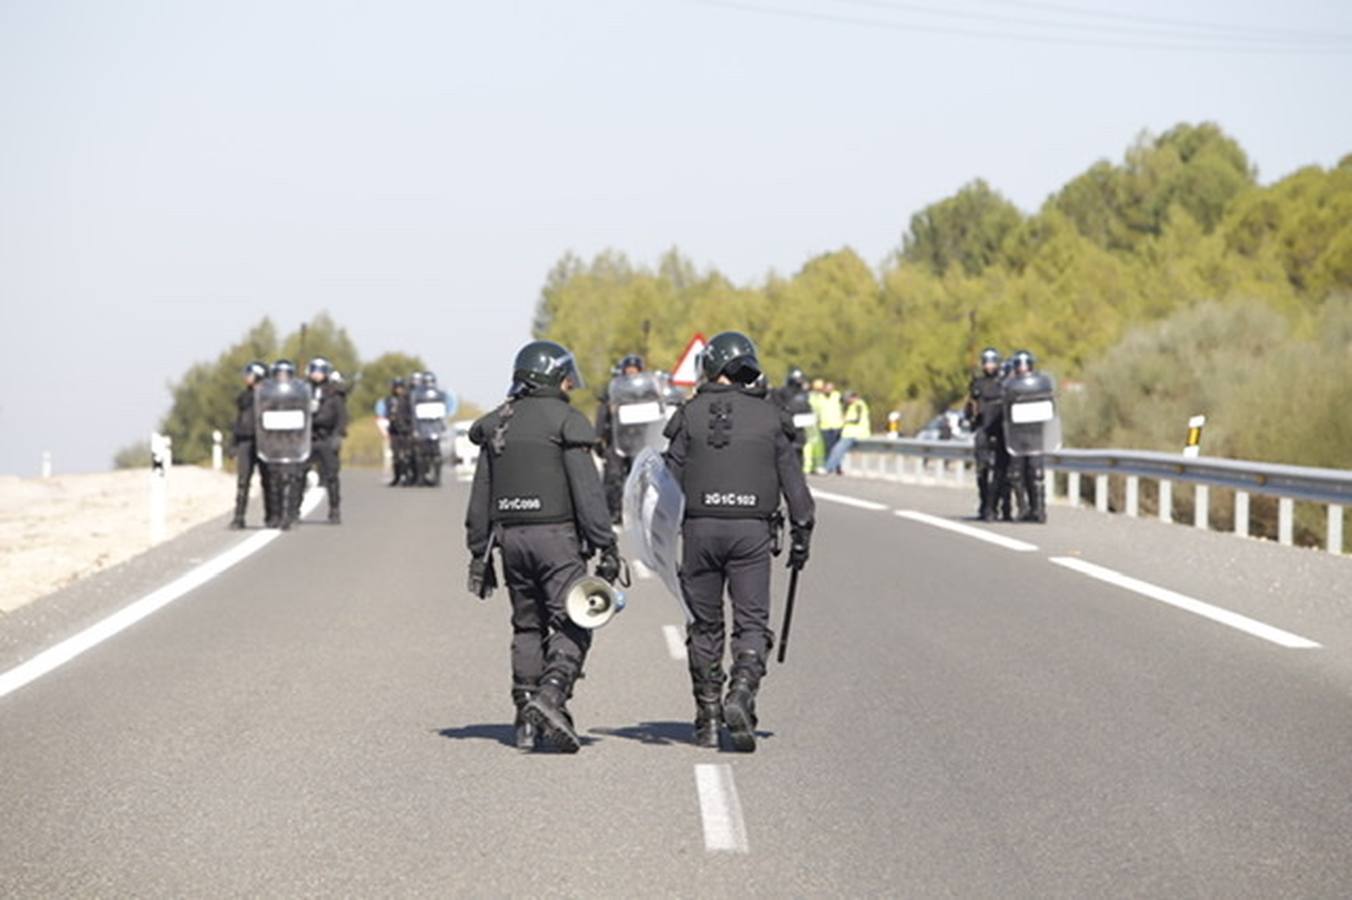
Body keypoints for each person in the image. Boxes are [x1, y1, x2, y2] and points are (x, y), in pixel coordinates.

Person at [465, 341, 620, 753]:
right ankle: (551, 697)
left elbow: (481, 495)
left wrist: (478, 553)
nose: (570, 383)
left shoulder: (500, 423)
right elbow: (587, 492)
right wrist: (606, 545)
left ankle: (525, 721)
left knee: (527, 625)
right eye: (566, 375)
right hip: (558, 540)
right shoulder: (566, 420)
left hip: (511, 542)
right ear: (554, 375)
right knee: (574, 621)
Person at [663, 331, 815, 752]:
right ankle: (742, 692)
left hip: (699, 532)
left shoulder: (689, 415)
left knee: (704, 625)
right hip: (751, 533)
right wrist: (802, 531)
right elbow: (794, 484)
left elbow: (666, 482)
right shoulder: (771, 416)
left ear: (710, 369)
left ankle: (708, 718)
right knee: (750, 623)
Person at [259, 359, 310, 530]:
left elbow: (304, 415)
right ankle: (276, 515)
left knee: (291, 479)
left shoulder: (298, 394)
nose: (282, 377)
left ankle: (288, 515)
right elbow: (262, 415)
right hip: (273, 444)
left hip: (292, 443)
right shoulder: (266, 394)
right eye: (279, 374)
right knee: (274, 482)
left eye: (285, 374)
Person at [594, 353, 645, 523]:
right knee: (613, 477)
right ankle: (613, 512)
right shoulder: (613, 391)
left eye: (635, 371)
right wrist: (598, 438)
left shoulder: (645, 392)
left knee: (641, 476)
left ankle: (639, 512)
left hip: (638, 440)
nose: (631, 374)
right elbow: (602, 415)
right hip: (616, 440)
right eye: (628, 370)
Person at [966, 348, 1011, 521]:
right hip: (983, 429)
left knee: (1003, 471)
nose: (989, 365)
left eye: (993, 361)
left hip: (1001, 430)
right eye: (987, 361)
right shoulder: (978, 383)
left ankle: (1002, 505)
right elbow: (971, 406)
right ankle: (985, 504)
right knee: (982, 470)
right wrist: (970, 417)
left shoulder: (1005, 383)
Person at [1006, 350, 1049, 523]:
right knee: (1016, 474)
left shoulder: (1041, 383)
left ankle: (1038, 509)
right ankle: (1023, 508)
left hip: (1035, 434)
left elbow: (1048, 405)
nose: (1023, 368)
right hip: (1016, 435)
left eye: (1026, 364)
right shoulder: (1010, 385)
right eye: (1019, 365)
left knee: (1036, 473)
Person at [229, 361, 268, 529]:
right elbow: (238, 422)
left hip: (265, 442)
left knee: (268, 480)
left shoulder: (269, 396)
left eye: (250, 374)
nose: (247, 377)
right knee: (243, 481)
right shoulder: (244, 397)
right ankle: (239, 516)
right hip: (245, 441)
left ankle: (272, 515)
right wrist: (233, 444)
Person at [308, 358, 347, 524]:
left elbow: (341, 417)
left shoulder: (333, 394)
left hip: (327, 437)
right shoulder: (304, 391)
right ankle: (293, 510)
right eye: (314, 370)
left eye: (320, 371)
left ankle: (334, 509)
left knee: (331, 476)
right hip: (308, 438)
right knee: (297, 474)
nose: (316, 374)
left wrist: (337, 436)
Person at [772, 366, 814, 471]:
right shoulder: (782, 392)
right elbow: (777, 407)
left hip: (800, 428)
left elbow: (807, 408)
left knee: (799, 451)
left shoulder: (804, 394)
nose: (800, 381)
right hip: (786, 427)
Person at [824, 390, 871, 475]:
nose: (847, 401)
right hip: (850, 433)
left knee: (837, 450)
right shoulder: (853, 405)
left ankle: (828, 468)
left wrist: (845, 420)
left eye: (848, 398)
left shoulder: (859, 405)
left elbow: (857, 419)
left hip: (855, 433)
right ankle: (836, 469)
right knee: (837, 450)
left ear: (854, 397)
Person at [385, 377, 414, 486]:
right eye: (396, 387)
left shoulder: (408, 399)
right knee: (396, 456)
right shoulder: (389, 400)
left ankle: (407, 476)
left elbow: (411, 414)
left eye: (400, 387)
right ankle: (397, 477)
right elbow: (387, 413)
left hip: (406, 431)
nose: (398, 390)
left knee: (407, 455)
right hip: (394, 431)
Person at [817, 381, 844, 465]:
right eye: (827, 388)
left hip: (837, 426)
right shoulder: (819, 397)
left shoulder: (838, 396)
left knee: (837, 448)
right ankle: (828, 465)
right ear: (824, 389)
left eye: (830, 388)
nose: (829, 390)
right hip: (825, 426)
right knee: (828, 448)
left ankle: (837, 466)